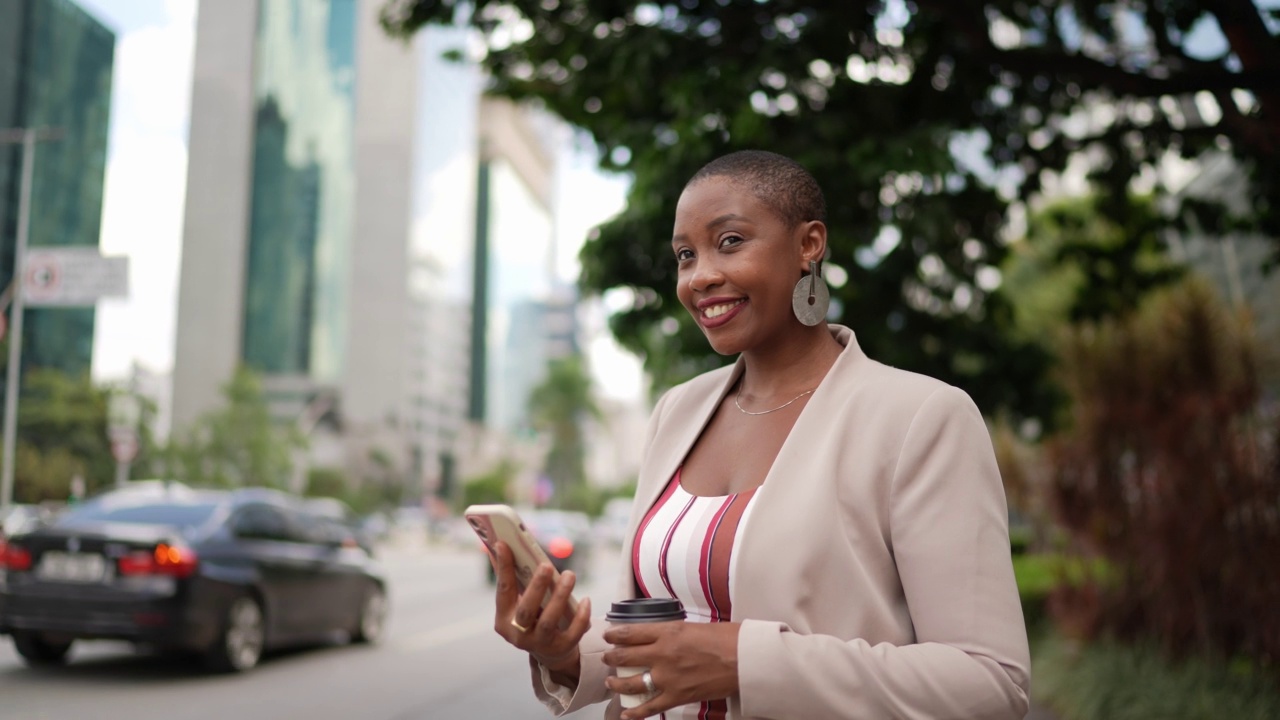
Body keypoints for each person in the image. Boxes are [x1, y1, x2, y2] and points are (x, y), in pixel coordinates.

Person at [487, 150, 1030, 719]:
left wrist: (746, 661)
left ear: (808, 245)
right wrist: (565, 652)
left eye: (730, 242)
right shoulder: (678, 411)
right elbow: (667, 639)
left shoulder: (922, 416)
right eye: (684, 255)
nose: (700, 277)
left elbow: (989, 684)